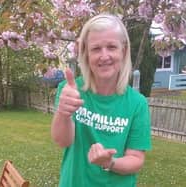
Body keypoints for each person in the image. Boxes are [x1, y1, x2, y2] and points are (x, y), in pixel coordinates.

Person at [51, 13, 152, 187]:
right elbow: (62, 141)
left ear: (124, 50)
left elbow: (136, 159)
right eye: (96, 49)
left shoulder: (137, 103)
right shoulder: (71, 91)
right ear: (86, 54)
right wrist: (63, 113)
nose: (104, 56)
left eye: (112, 47)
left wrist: (109, 162)